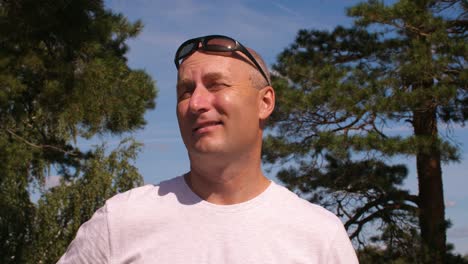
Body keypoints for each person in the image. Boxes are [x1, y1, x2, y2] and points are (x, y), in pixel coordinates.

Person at [57, 35, 359, 264]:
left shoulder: (320, 237)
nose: (196, 103)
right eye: (185, 91)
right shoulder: (119, 222)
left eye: (216, 85)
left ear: (265, 102)